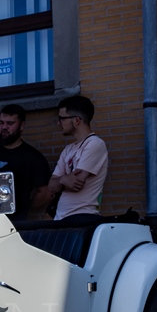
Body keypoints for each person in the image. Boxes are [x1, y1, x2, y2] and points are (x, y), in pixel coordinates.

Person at [0, 104, 51, 221]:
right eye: (1, 123)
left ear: (22, 126)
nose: (4, 127)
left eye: (10, 123)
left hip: (15, 223)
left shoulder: (33, 157)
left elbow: (46, 193)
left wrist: (24, 208)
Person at [48, 95, 109, 224]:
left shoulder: (95, 143)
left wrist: (61, 180)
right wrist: (63, 180)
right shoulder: (68, 149)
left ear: (76, 120)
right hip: (61, 219)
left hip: (82, 218)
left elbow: (76, 183)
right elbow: (51, 186)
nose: (59, 123)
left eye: (62, 118)